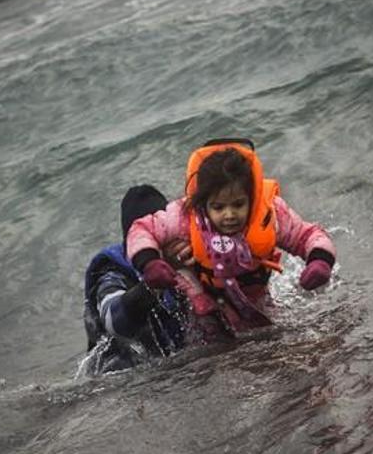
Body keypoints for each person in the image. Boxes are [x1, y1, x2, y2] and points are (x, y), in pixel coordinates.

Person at [126, 138, 336, 334]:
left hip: (257, 303)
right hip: (204, 312)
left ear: (251, 198)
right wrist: (149, 263)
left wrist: (320, 261)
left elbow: (308, 235)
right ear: (202, 203)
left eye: (238, 204)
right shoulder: (183, 216)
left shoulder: (270, 214)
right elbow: (141, 230)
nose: (229, 215)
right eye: (218, 207)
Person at [82, 185, 190, 373]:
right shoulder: (112, 272)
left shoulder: (181, 254)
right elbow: (113, 321)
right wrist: (152, 284)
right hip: (116, 379)